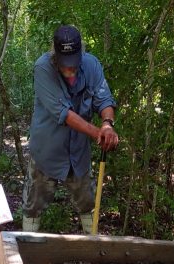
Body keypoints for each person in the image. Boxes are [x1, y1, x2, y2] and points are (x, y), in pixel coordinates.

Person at [22, 25, 119, 233]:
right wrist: (97, 133)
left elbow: (104, 99)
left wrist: (107, 125)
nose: (70, 69)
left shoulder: (91, 65)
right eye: (65, 64)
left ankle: (91, 244)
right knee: (34, 203)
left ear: (80, 53)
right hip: (47, 148)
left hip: (78, 150)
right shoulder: (43, 68)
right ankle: (27, 246)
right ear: (55, 55)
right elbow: (63, 113)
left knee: (86, 200)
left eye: (73, 63)